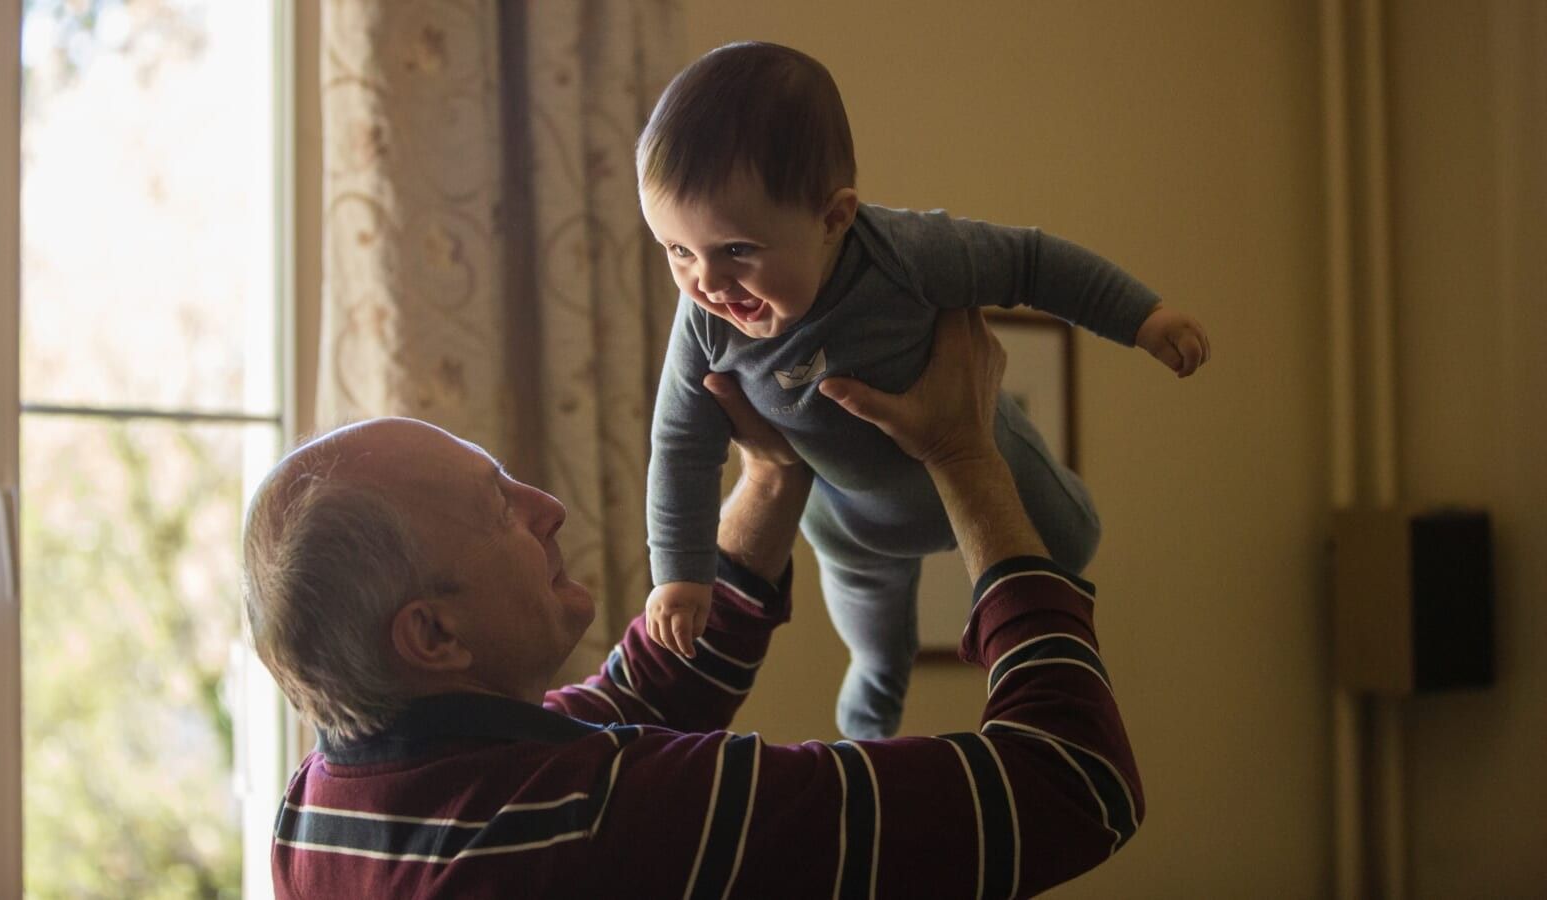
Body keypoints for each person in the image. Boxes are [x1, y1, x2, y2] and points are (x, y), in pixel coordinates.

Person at [244, 309, 1144, 899]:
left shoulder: (322, 808)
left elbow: (636, 697)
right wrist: (965, 456)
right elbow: (1072, 783)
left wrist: (773, 472)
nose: (547, 509)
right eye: (499, 509)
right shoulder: (608, 822)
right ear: (433, 634)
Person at [638, 40, 1210, 739]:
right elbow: (680, 447)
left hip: (983, 452)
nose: (707, 283)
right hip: (852, 526)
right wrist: (681, 574)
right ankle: (869, 732)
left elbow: (1031, 262)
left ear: (833, 219)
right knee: (878, 649)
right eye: (676, 250)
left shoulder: (906, 254)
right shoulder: (703, 323)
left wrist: (1142, 317)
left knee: (1074, 540)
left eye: (737, 250)